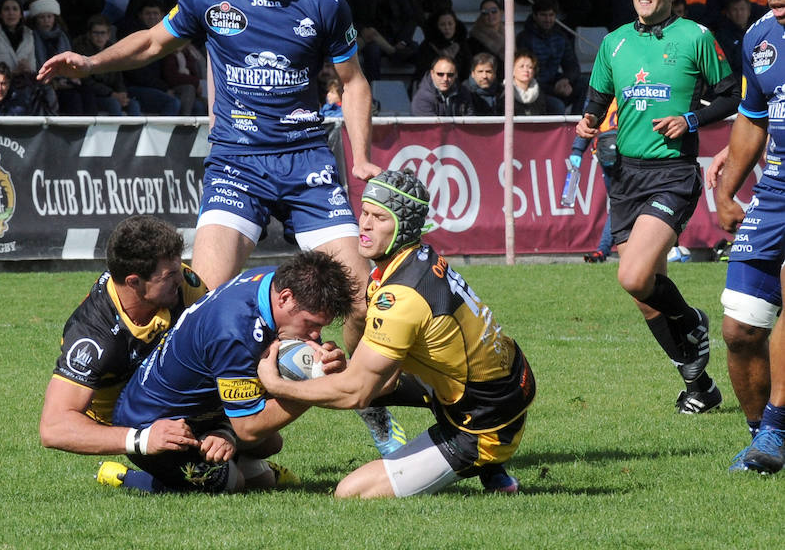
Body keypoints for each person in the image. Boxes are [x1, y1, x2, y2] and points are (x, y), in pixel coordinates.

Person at [38, 0, 404, 455]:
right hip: (237, 162)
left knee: (360, 298)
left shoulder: (324, 2)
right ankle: (168, 427)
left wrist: (357, 156)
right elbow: (154, 42)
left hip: (307, 158)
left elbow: (353, 82)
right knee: (199, 303)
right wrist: (91, 62)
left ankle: (366, 402)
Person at [257, 169, 536, 498]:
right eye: (363, 212)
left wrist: (277, 386)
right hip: (495, 386)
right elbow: (374, 379)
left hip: (485, 421)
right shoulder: (412, 261)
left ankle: (488, 461)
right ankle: (491, 470)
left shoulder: (402, 295)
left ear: (403, 227)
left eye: (379, 217)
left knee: (350, 492)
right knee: (357, 378)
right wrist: (347, 370)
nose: (364, 224)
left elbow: (356, 394)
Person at [576, 0, 740, 414]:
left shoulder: (696, 37)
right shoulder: (615, 42)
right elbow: (598, 94)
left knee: (633, 276)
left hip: (671, 175)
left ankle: (692, 321)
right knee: (647, 297)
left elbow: (731, 96)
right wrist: (588, 119)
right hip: (625, 176)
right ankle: (700, 387)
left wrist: (690, 121)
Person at [108, 250, 355, 493]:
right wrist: (316, 386)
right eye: (311, 324)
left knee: (269, 448)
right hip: (154, 424)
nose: (315, 336)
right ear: (286, 298)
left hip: (201, 411)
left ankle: (232, 454)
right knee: (233, 482)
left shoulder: (272, 281)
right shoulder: (234, 333)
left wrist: (322, 361)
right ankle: (127, 477)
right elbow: (248, 427)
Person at [39, 215, 207, 464]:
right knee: (227, 478)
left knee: (265, 442)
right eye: (170, 274)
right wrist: (142, 439)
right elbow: (53, 428)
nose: (180, 278)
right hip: (127, 419)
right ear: (134, 282)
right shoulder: (92, 336)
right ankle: (127, 477)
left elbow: (219, 338)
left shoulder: (183, 286)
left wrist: (222, 426)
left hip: (170, 396)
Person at [714, 0, 785, 474]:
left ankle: (777, 432)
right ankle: (760, 437)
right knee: (740, 326)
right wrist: (725, 188)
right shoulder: (759, 39)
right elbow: (752, 119)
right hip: (776, 189)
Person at [343, 0, 418, 82]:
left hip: (395, 36)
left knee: (420, 51)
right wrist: (361, 30)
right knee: (373, 51)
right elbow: (345, 18)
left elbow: (410, 18)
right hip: (368, 38)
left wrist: (403, 40)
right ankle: (373, 93)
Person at [515, 0, 585, 114]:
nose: (548, 19)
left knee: (585, 83)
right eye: (543, 15)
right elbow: (526, 76)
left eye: (551, 15)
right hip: (535, 89)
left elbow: (573, 66)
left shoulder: (560, 36)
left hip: (556, 84)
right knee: (558, 106)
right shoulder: (524, 38)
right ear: (535, 16)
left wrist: (565, 80)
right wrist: (554, 89)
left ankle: (577, 125)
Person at [569, 97, 619, 263]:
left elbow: (590, 119)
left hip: (605, 149)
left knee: (620, 204)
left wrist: (577, 150)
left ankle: (603, 250)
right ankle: (603, 250)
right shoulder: (637, 85)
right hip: (626, 151)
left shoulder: (601, 90)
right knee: (623, 204)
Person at [72, 14, 142, 116]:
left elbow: (119, 77)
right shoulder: (81, 50)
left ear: (109, 34)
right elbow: (86, 81)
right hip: (93, 95)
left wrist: (122, 92)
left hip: (112, 93)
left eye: (103, 33)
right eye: (96, 33)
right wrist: (111, 94)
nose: (99, 37)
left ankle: (134, 132)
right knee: (113, 104)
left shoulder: (113, 49)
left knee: (133, 104)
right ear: (89, 34)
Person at [509, 49, 553, 116]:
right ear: (512, 70)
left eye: (530, 67)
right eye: (521, 66)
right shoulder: (504, 92)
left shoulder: (540, 93)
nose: (526, 70)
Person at [467, 0, 505, 71]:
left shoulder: (509, 34)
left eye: (494, 11)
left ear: (501, 12)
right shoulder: (473, 41)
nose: (490, 15)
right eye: (485, 12)